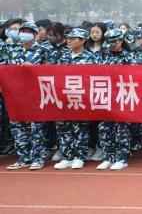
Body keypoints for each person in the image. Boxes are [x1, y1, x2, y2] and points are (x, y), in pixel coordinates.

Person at [5, 22, 48, 170]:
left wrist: (35, 69)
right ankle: (23, 158)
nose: (24, 34)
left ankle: (38, 158)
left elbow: (51, 71)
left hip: (35, 95)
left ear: (35, 35)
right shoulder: (13, 50)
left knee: (36, 128)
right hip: (16, 95)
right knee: (18, 127)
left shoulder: (43, 51)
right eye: (22, 31)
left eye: (28, 31)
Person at [54, 28, 97, 170]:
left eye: (73, 38)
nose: (69, 41)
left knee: (80, 128)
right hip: (63, 98)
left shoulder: (91, 58)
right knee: (63, 128)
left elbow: (95, 78)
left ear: (83, 40)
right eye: (68, 38)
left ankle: (79, 156)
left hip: (81, 98)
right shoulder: (62, 57)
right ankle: (67, 156)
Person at [95, 29, 134, 171]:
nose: (112, 45)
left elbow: (134, 76)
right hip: (105, 95)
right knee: (105, 128)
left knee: (121, 129)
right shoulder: (102, 56)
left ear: (120, 41)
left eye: (114, 42)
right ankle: (108, 157)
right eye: (109, 42)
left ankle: (121, 158)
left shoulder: (129, 57)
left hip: (122, 96)